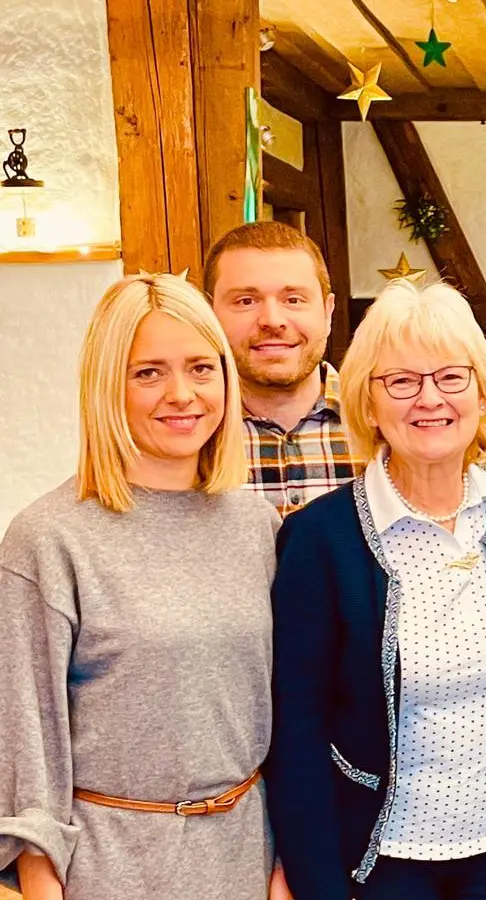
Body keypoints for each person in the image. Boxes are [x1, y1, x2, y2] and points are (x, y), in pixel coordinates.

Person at [265, 279, 486, 900]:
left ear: (482, 391)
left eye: (451, 377)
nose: (429, 399)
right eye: (402, 381)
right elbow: (297, 732)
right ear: (367, 402)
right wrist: (316, 882)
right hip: (382, 860)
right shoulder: (319, 538)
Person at [0, 273, 280, 898]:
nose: (182, 394)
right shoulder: (48, 539)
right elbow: (26, 748)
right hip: (109, 868)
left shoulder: (256, 527)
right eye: (148, 372)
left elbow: (285, 714)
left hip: (246, 860)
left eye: (201, 368)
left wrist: (285, 865)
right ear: (107, 387)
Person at [205, 220, 354, 515]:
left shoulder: (384, 422)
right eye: (246, 301)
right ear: (208, 315)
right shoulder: (189, 434)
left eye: (294, 299)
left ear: (327, 311)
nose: (272, 320)